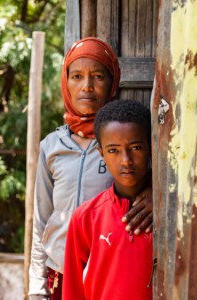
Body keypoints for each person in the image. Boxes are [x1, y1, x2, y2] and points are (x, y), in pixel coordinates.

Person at [29, 38, 153, 300]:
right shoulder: (52, 146)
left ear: (112, 83)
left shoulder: (122, 142)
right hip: (60, 271)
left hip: (109, 266)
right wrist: (36, 286)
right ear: (66, 83)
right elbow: (41, 219)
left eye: (97, 76)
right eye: (76, 76)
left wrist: (158, 195)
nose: (87, 86)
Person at [63, 99, 154, 300]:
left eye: (136, 147)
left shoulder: (166, 209)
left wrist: (161, 198)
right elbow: (73, 290)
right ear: (101, 153)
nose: (126, 160)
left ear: (150, 147)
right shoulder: (86, 218)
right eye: (113, 150)